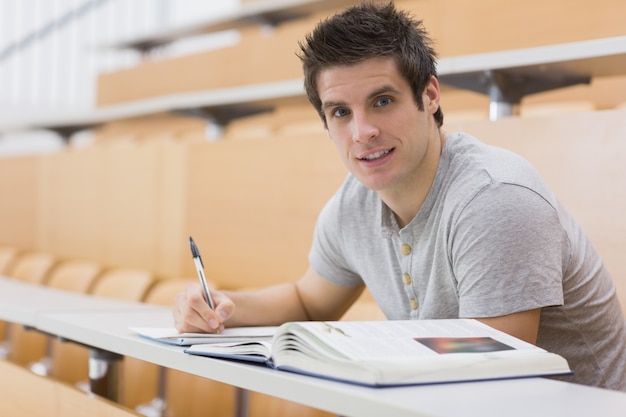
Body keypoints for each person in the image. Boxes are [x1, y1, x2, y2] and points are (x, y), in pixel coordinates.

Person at [173, 2, 626, 391]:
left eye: (383, 101)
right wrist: (220, 308)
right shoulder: (354, 204)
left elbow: (495, 370)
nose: (363, 131)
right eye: (341, 112)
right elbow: (307, 301)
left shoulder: (494, 198)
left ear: (429, 95)